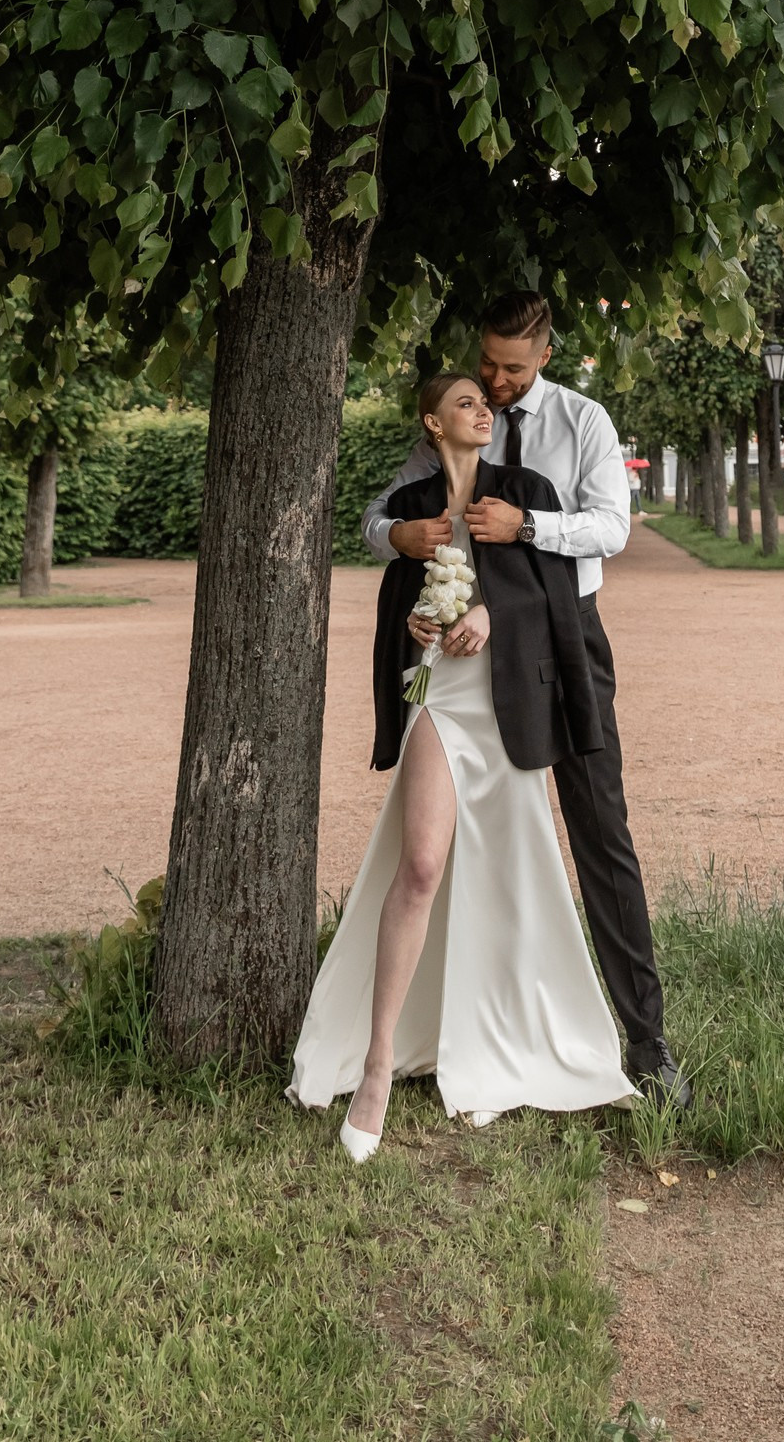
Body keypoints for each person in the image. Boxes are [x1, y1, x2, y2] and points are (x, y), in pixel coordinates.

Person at [288, 371, 636, 1157]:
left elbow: (556, 597)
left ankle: (492, 1049)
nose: (485, 411)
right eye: (466, 404)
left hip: (508, 701)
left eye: (487, 402)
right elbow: (391, 597)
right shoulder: (413, 512)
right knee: (418, 867)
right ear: (433, 424)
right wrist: (414, 619)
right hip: (439, 701)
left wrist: (490, 611)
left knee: (506, 877)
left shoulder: (526, 488)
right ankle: (377, 1065)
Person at [359, 288, 689, 1108]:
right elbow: (386, 514)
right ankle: (474, 1033)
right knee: (466, 847)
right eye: (486, 365)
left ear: (544, 354)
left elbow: (613, 526)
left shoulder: (584, 422)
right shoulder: (455, 420)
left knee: (598, 828)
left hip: (561, 635)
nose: (496, 383)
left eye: (511, 369)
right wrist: (398, 538)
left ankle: (646, 1044)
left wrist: (529, 529)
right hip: (463, 660)